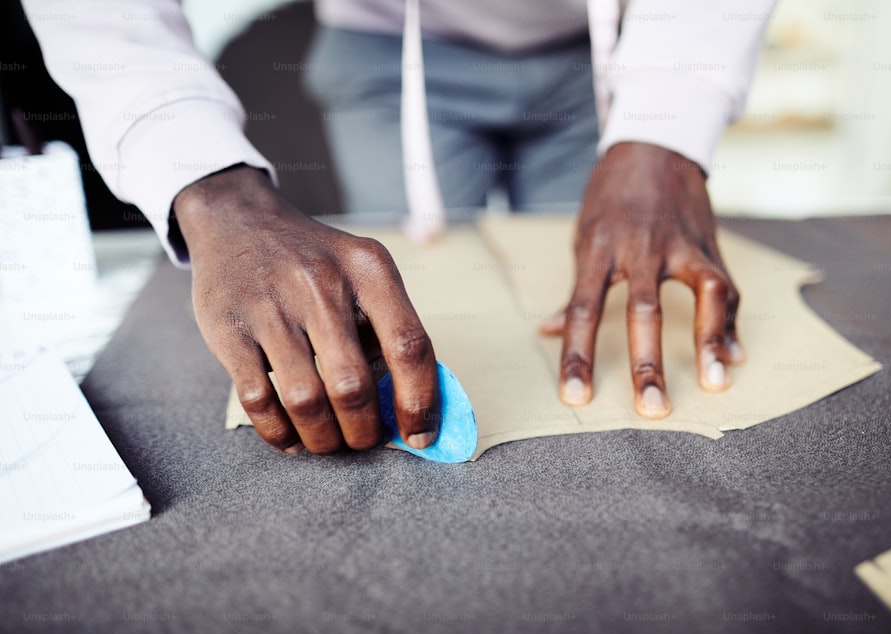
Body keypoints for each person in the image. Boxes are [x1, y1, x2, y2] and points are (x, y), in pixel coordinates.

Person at [23, 0, 774, 455]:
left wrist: (668, 122)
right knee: (395, 299)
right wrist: (206, 182)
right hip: (389, 50)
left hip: (606, 47)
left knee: (609, 277)